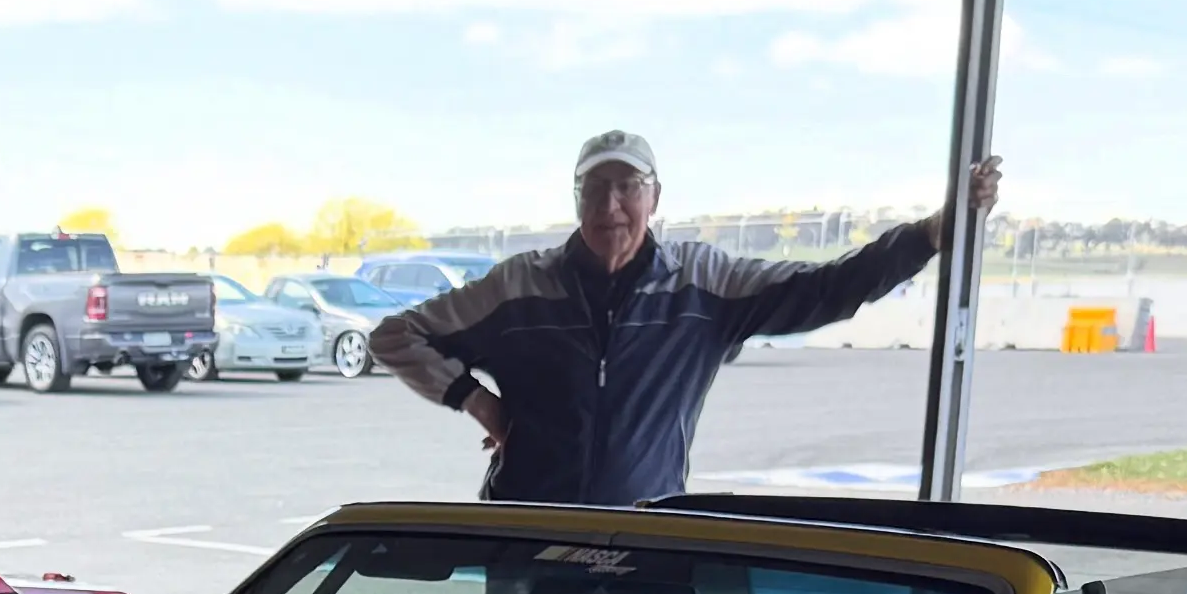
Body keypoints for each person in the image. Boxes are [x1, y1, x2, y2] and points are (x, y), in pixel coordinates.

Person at [367, 131, 1005, 505]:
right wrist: (481, 403)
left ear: (655, 197)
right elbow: (396, 336)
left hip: (643, 544)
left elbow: (827, 288)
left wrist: (930, 234)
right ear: (576, 199)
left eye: (627, 187)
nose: (610, 205)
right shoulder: (519, 286)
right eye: (594, 189)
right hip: (524, 541)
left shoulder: (704, 284)